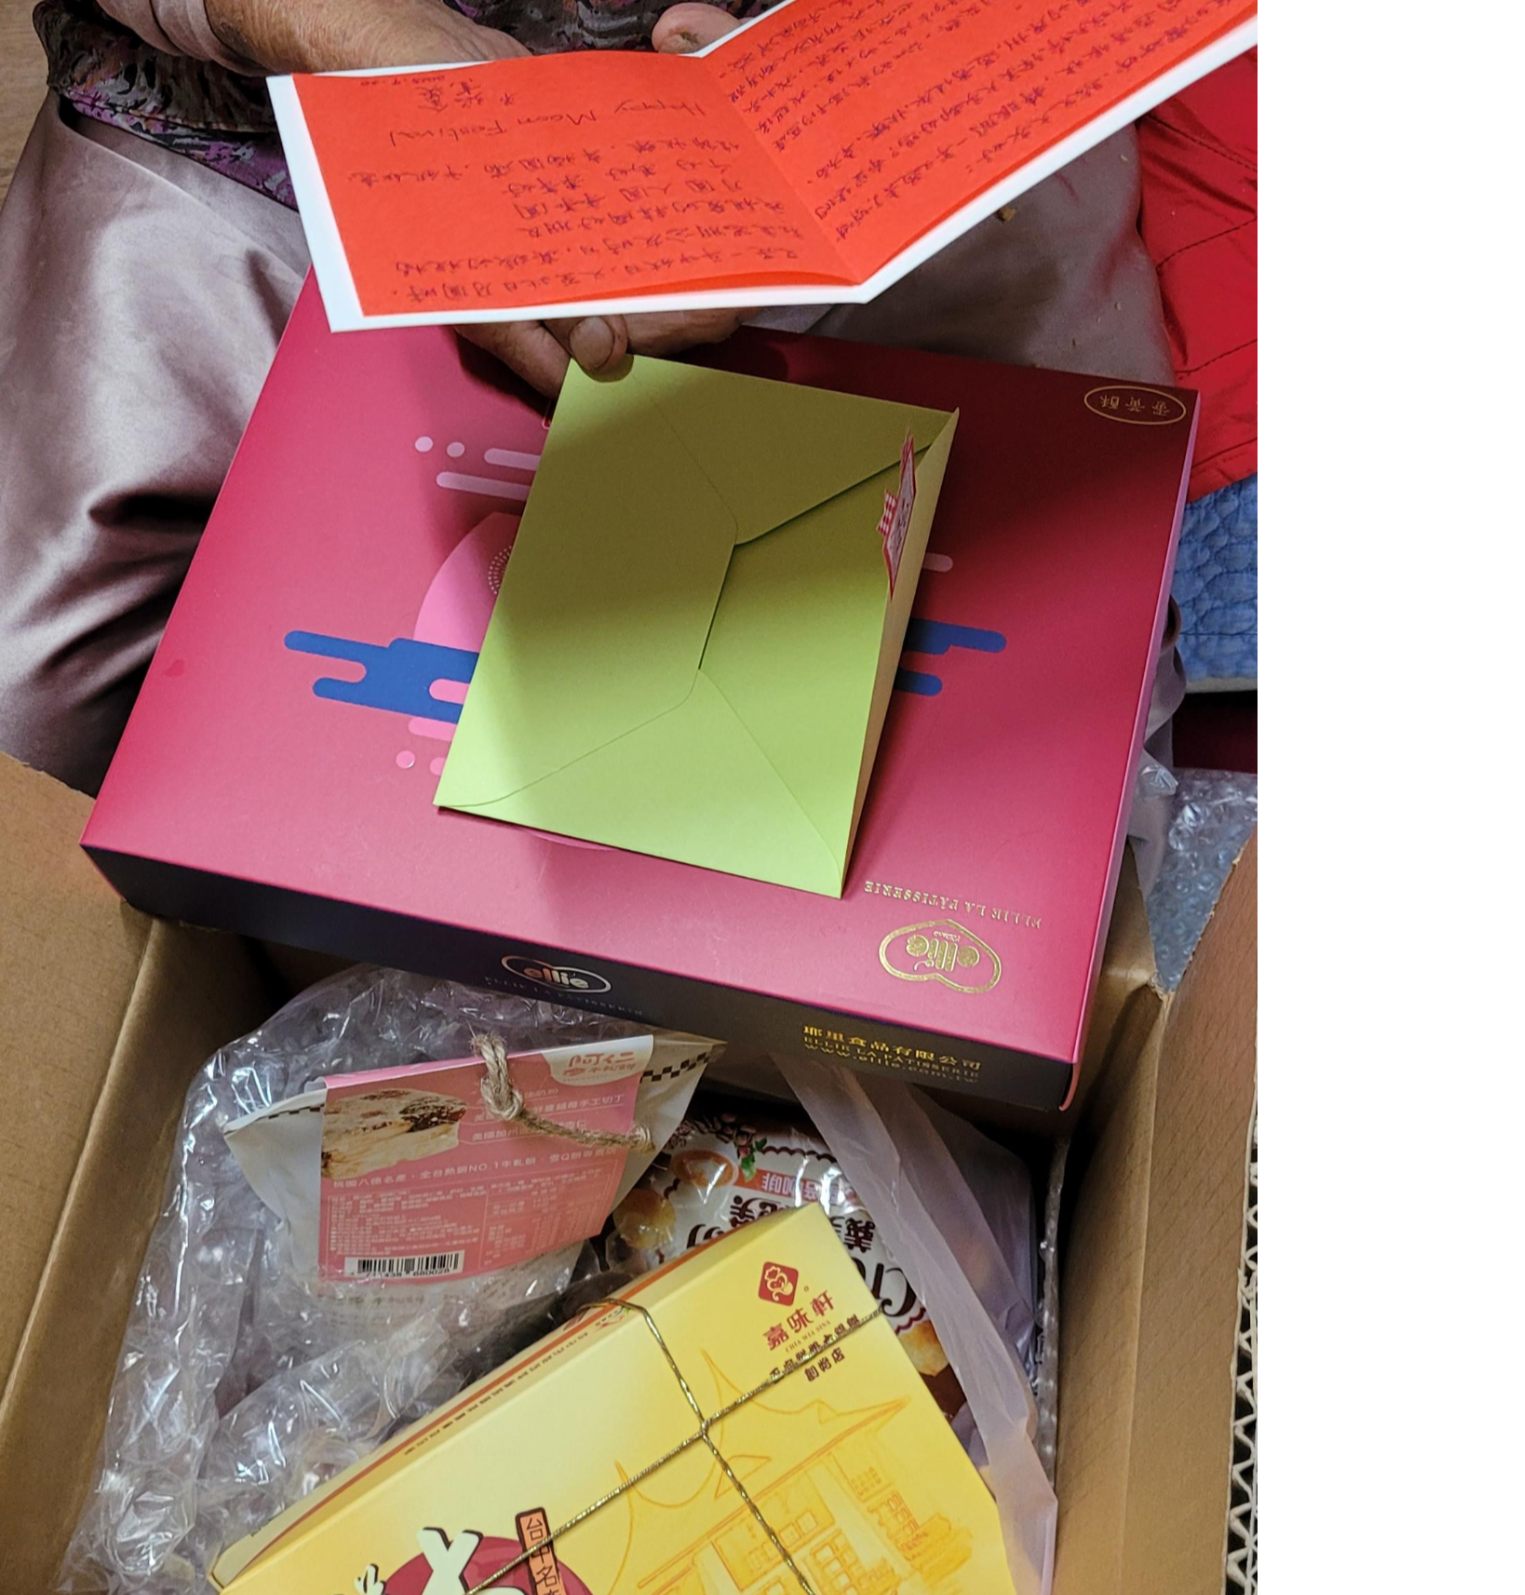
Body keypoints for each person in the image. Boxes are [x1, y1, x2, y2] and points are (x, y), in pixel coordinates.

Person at [0, 0, 1177, 800]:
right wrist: (336, 32)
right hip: (251, 131)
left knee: (1047, 741)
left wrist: (813, 86)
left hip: (876, 119)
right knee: (33, 741)